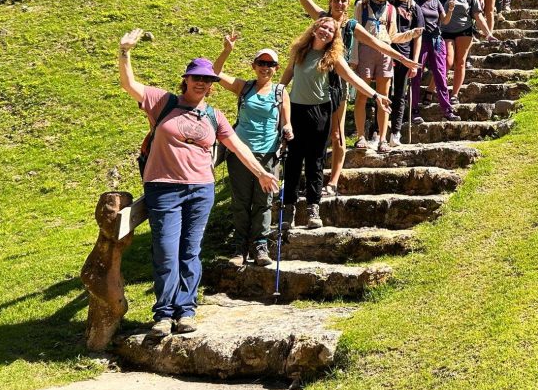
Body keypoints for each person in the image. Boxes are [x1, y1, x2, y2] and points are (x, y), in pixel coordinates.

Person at [118, 30, 279, 340]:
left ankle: (186, 310)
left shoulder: (213, 115)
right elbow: (129, 85)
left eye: (207, 80)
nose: (202, 83)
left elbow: (238, 147)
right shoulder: (163, 101)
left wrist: (260, 171)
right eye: (196, 78)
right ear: (186, 79)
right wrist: (125, 52)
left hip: (201, 189)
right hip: (164, 188)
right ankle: (164, 314)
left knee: (190, 252)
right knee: (166, 251)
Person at [275, 0, 418, 194]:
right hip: (315, 79)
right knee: (310, 133)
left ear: (348, 4)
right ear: (330, 2)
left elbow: (379, 44)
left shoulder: (351, 26)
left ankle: (332, 182)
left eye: (344, 1)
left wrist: (403, 59)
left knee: (337, 132)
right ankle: (303, 179)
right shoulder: (322, 20)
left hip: (338, 81)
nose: (340, 4)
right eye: (337, 0)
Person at [280, 17, 392, 229]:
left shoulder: (332, 57)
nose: (326, 32)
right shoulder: (299, 52)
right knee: (293, 161)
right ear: (315, 29)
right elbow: (286, 76)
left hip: (320, 111)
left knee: (315, 160)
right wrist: (275, 95)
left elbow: (353, 79)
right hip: (295, 111)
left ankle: (313, 208)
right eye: (323, 27)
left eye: (331, 30)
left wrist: (376, 95)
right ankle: (288, 209)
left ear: (334, 36)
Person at [213, 35, 292, 266]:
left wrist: (288, 129)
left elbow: (287, 122)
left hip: (268, 154)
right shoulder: (244, 87)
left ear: (276, 68)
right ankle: (239, 247)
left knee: (263, 201)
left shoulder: (280, 92)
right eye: (261, 63)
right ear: (254, 66)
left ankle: (260, 246)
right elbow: (214, 73)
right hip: (240, 154)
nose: (265, 68)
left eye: (270, 64)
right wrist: (227, 50)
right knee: (240, 200)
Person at [353, 0, 423, 152]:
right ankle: (360, 136)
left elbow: (393, 37)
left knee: (384, 97)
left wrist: (411, 34)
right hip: (365, 51)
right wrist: (353, 59)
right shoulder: (362, 4)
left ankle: (383, 139)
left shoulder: (391, 9)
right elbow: (355, 33)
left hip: (384, 53)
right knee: (363, 95)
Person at [437, 0, 497, 105]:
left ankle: (455, 94)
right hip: (446, 31)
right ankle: (435, 89)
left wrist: (488, 34)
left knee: (461, 62)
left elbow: (478, 16)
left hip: (464, 31)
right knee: (447, 61)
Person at [411, 0, 458, 123]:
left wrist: (450, 9)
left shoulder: (436, 2)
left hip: (437, 40)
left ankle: (447, 110)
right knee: (416, 75)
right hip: (421, 40)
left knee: (440, 74)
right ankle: (414, 110)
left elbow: (444, 20)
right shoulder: (415, 1)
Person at [387, 0, 423, 147]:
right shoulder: (387, 3)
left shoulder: (414, 7)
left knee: (400, 94)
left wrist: (414, 62)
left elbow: (418, 36)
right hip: (385, 53)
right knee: (383, 93)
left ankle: (395, 132)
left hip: (405, 55)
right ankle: (377, 132)